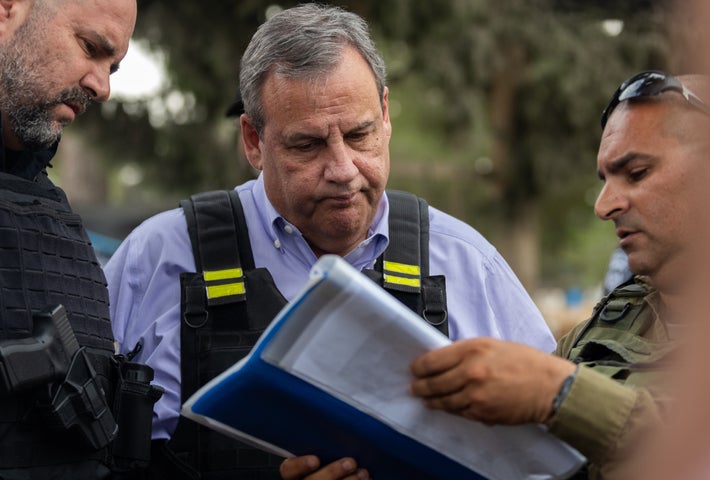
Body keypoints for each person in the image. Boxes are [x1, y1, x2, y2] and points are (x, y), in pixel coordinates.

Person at [104, 3, 556, 479]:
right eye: (307, 145)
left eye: (360, 135)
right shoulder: (155, 262)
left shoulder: (467, 265)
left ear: (385, 115)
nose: (343, 170)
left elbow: (550, 453)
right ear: (253, 140)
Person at [282, 71, 710, 480]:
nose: (604, 206)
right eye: (604, 180)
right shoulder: (608, 326)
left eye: (636, 173)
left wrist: (559, 393)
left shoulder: (564, 372)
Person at [0, 0, 143, 479]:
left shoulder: (52, 211)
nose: (101, 87)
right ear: (8, 10)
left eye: (113, 66)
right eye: (90, 48)